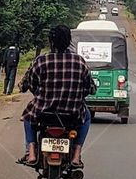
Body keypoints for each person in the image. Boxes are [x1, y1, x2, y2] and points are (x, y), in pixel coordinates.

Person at [17, 25, 96, 169]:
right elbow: (90, 88)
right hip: (72, 113)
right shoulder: (79, 61)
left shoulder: (41, 61)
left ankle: (32, 152)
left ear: (50, 41)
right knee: (87, 116)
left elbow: (27, 84)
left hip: (43, 112)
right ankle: (76, 154)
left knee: (28, 117)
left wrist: (37, 92)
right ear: (69, 41)